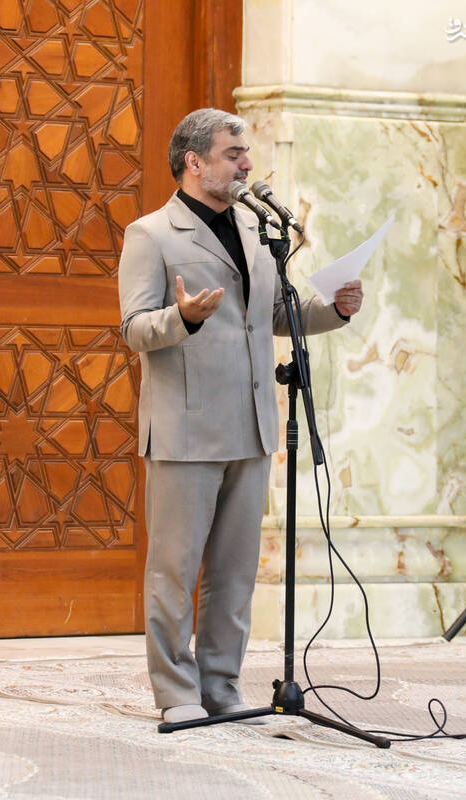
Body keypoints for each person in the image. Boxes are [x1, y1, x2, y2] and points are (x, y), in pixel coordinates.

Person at [118, 108, 363, 724]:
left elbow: (276, 315)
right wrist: (183, 318)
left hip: (252, 427)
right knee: (174, 572)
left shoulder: (255, 230)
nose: (247, 164)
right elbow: (134, 329)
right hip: (185, 428)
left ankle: (220, 687)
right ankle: (178, 694)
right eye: (233, 154)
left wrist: (334, 309)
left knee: (233, 574)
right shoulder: (152, 234)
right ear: (194, 162)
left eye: (245, 153)